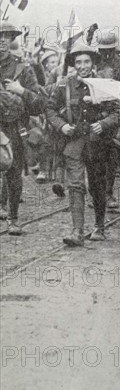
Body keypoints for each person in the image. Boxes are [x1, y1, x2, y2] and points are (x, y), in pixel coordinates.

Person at [46, 40, 120, 246]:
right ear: (73, 64)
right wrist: (61, 126)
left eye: (86, 61)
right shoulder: (64, 85)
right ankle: (77, 230)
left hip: (98, 144)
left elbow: (117, 113)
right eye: (78, 62)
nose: (82, 66)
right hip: (74, 142)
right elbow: (50, 109)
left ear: (93, 62)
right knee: (76, 185)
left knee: (97, 186)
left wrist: (103, 124)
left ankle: (99, 225)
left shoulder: (105, 85)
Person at [0, 21, 46, 235]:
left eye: (6, 36)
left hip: (12, 127)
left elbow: (38, 103)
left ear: (11, 40)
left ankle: (13, 217)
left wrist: (20, 91)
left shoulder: (22, 67)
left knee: (13, 172)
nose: (1, 40)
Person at [94, 28, 120, 209]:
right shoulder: (93, 64)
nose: (106, 53)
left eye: (109, 49)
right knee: (93, 155)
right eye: (103, 50)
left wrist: (114, 114)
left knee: (111, 155)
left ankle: (108, 193)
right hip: (94, 113)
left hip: (117, 116)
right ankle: (94, 192)